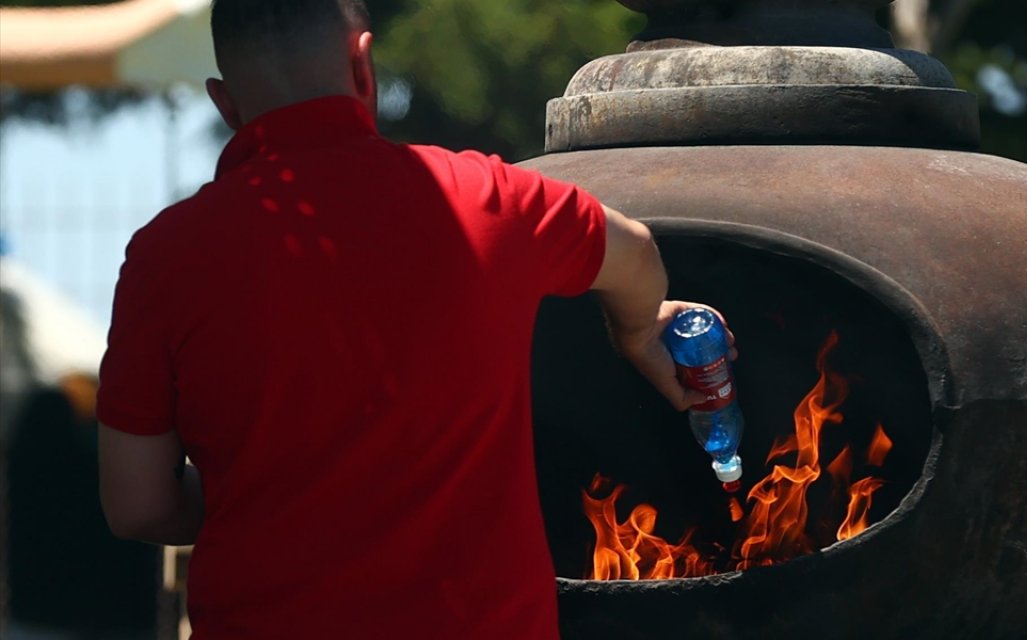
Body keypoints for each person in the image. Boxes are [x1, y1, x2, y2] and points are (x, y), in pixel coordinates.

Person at [95, 1, 727, 638]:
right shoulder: (488, 199)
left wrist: (263, 496)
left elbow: (137, 506)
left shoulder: (164, 258)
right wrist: (639, 331)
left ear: (225, 104)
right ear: (363, 66)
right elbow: (636, 252)